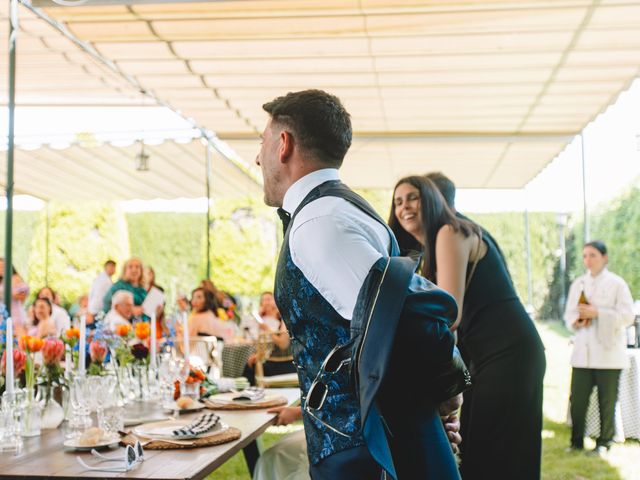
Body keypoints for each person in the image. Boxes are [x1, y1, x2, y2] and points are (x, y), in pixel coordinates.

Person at [256, 89, 461, 479]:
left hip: (363, 453)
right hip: (366, 441)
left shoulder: (320, 223)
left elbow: (409, 317)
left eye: (261, 142)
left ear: (283, 144)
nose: (257, 156)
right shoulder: (341, 208)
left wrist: (445, 395)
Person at [388, 175, 546, 479]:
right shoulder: (431, 246)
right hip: (483, 357)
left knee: (497, 452)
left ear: (432, 200)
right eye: (397, 201)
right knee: (478, 450)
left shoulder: (451, 231)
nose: (404, 207)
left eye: (412, 198)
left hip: (509, 353)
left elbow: (450, 313)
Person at [564, 240, 634, 456]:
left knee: (607, 401)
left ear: (604, 257)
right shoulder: (578, 284)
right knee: (577, 400)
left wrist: (599, 314)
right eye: (585, 255)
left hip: (608, 354)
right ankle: (576, 441)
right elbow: (569, 315)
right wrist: (576, 321)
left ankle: (604, 443)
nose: (588, 260)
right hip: (583, 354)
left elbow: (628, 316)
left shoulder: (617, 284)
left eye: (592, 255)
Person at [243, 292, 296, 385]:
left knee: (250, 366)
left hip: (284, 365)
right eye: (264, 300)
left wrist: (266, 329)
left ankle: (248, 391)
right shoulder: (271, 318)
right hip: (279, 363)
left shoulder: (284, 319)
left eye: (269, 300)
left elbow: (283, 344)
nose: (267, 303)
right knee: (251, 362)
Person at [0, 258, 29, 336]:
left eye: (3, 266)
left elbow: (22, 294)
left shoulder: (15, 278)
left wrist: (10, 293)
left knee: (18, 338)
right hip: (1, 315)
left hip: (15, 314)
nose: (1, 268)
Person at [88, 260, 116, 324]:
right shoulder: (105, 280)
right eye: (111, 267)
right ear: (106, 267)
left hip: (95, 310)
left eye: (114, 267)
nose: (113, 269)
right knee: (98, 329)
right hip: (98, 311)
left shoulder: (100, 278)